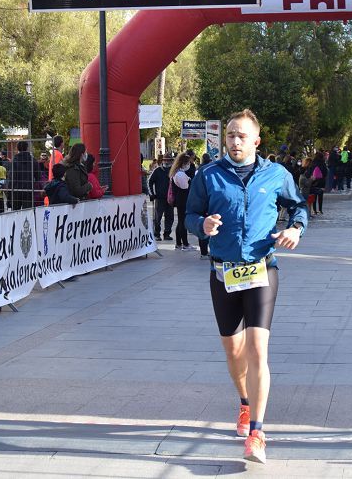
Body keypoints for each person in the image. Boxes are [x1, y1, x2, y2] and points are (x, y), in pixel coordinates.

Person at [185, 109, 308, 465]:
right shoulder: (209, 175)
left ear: (256, 141)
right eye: (230, 136)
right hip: (223, 272)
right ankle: (244, 402)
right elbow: (190, 214)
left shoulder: (276, 174)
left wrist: (295, 229)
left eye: (242, 136)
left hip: (262, 270)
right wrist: (202, 224)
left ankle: (257, 432)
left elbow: (298, 206)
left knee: (257, 349)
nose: (235, 142)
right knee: (233, 351)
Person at [148, 154, 174, 241]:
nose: (167, 162)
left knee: (170, 217)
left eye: (169, 160)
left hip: (170, 199)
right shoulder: (157, 170)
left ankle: (167, 234)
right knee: (157, 217)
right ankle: (157, 234)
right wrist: (152, 193)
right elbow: (149, 182)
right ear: (162, 160)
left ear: (171, 161)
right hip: (159, 198)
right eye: (165, 160)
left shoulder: (174, 171)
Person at [170, 152, 193, 250]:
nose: (189, 165)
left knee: (180, 221)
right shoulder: (180, 174)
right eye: (188, 163)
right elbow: (185, 187)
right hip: (183, 199)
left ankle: (179, 243)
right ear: (183, 164)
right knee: (182, 222)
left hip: (180, 199)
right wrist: (189, 180)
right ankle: (185, 244)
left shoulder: (177, 172)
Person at [9, 141, 39, 210]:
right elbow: (38, 176)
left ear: (17, 148)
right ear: (27, 148)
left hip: (16, 190)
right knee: (28, 214)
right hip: (29, 189)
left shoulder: (14, 161)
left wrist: (9, 194)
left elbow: (11, 177)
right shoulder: (33, 160)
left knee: (15, 214)